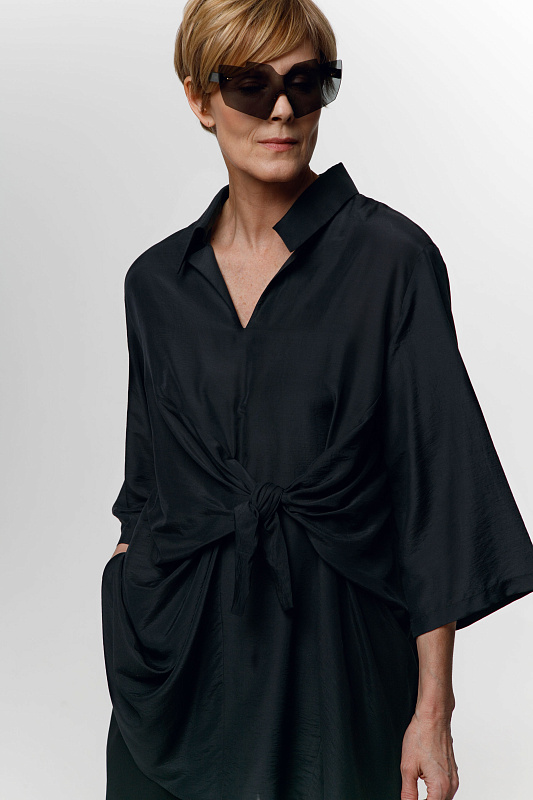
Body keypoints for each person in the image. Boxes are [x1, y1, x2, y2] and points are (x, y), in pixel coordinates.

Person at [101, 1, 533, 798]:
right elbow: (148, 486)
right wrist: (131, 593)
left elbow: (435, 493)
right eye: (249, 85)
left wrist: (431, 711)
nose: (281, 110)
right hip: (178, 668)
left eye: (306, 84)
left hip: (338, 662)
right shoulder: (156, 283)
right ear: (199, 98)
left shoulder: (391, 260)